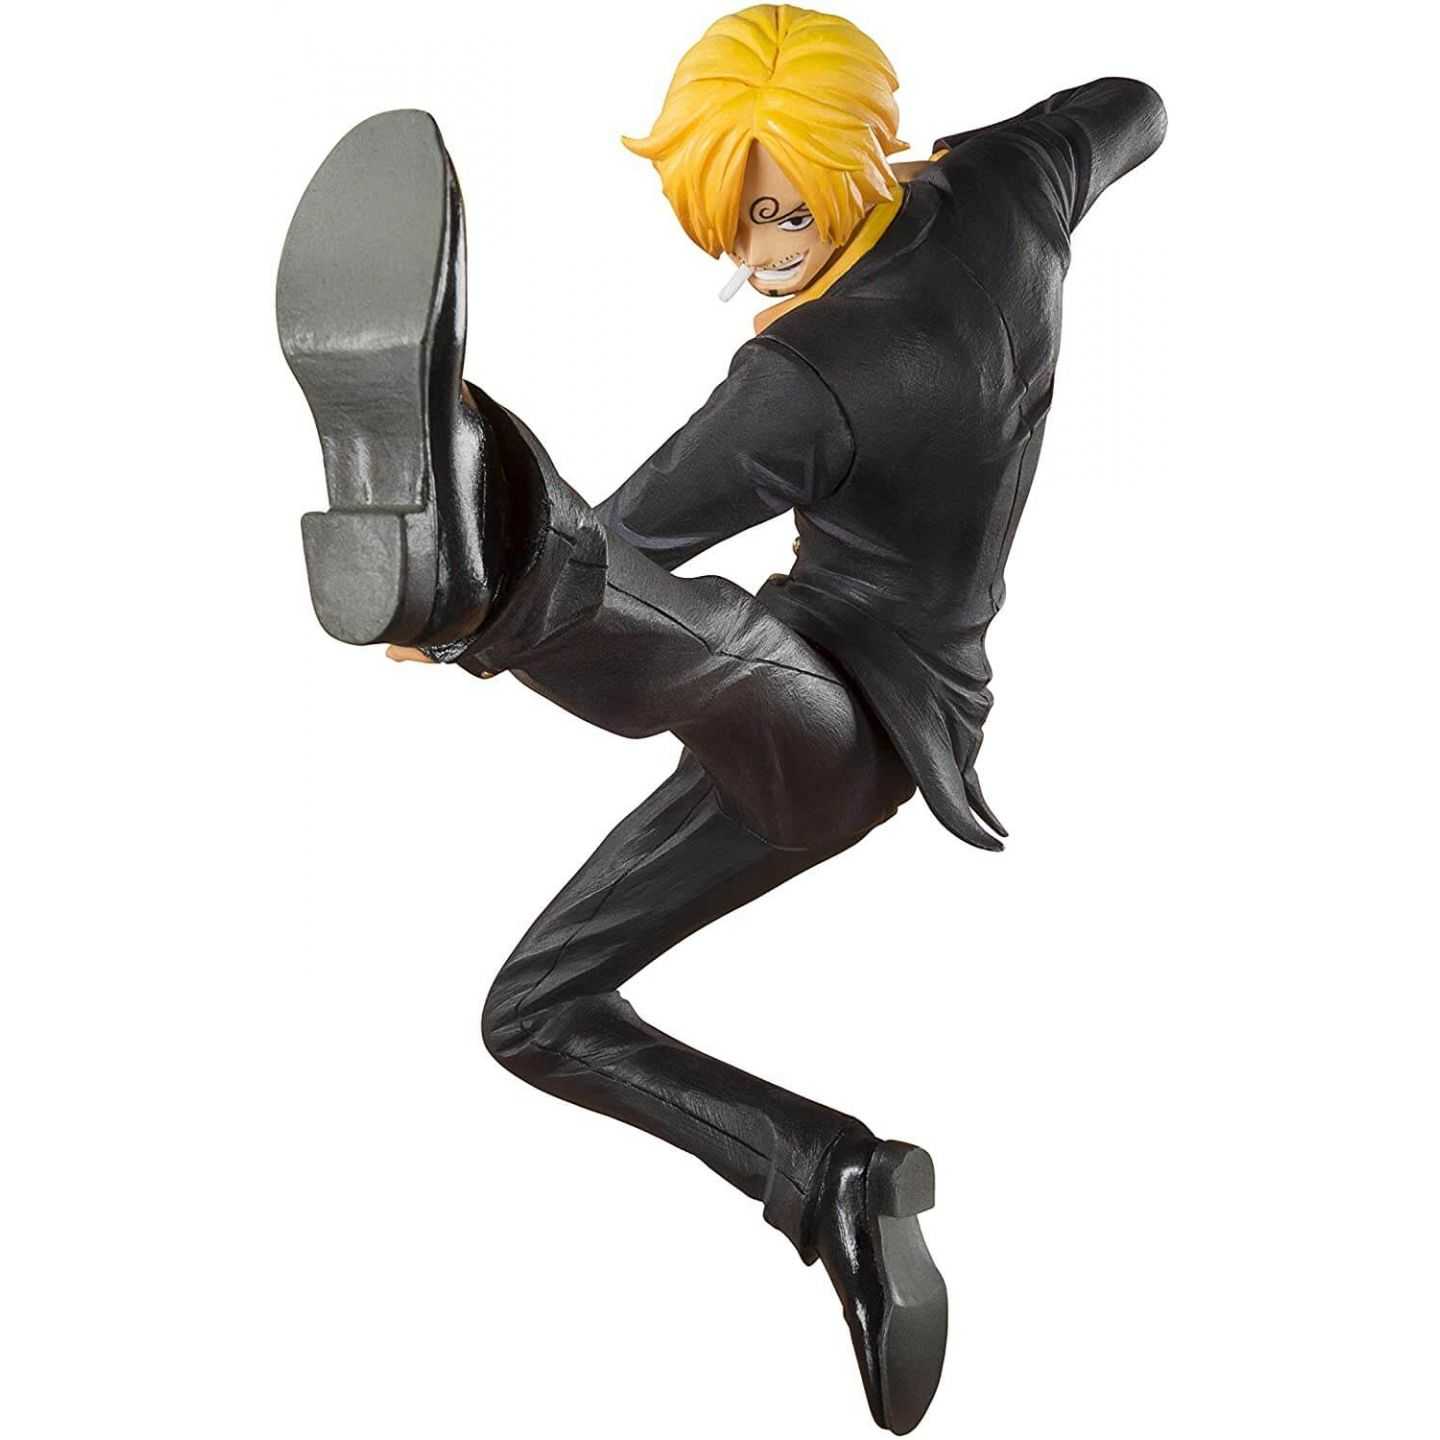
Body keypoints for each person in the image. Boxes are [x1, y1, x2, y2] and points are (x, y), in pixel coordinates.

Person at [276, 6, 1166, 1431]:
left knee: (716, 646)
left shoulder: (808, 379)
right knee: (533, 1014)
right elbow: (1129, 102)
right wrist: (974, 156)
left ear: (850, 158)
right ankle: (832, 1178)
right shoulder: (1014, 187)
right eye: (731, 218)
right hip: (881, 696)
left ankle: (475, 546)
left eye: (778, 209)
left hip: (857, 731)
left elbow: (638, 534)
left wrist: (462, 630)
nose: (757, 249)